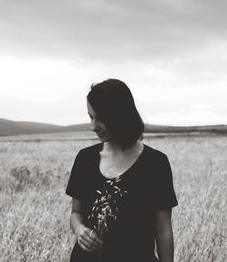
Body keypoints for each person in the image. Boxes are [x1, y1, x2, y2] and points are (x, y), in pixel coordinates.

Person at [66, 79, 178, 262]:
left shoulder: (155, 163)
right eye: (90, 117)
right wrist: (79, 230)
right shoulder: (85, 159)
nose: (93, 126)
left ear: (119, 115)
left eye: (100, 117)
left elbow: (163, 229)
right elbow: (76, 212)